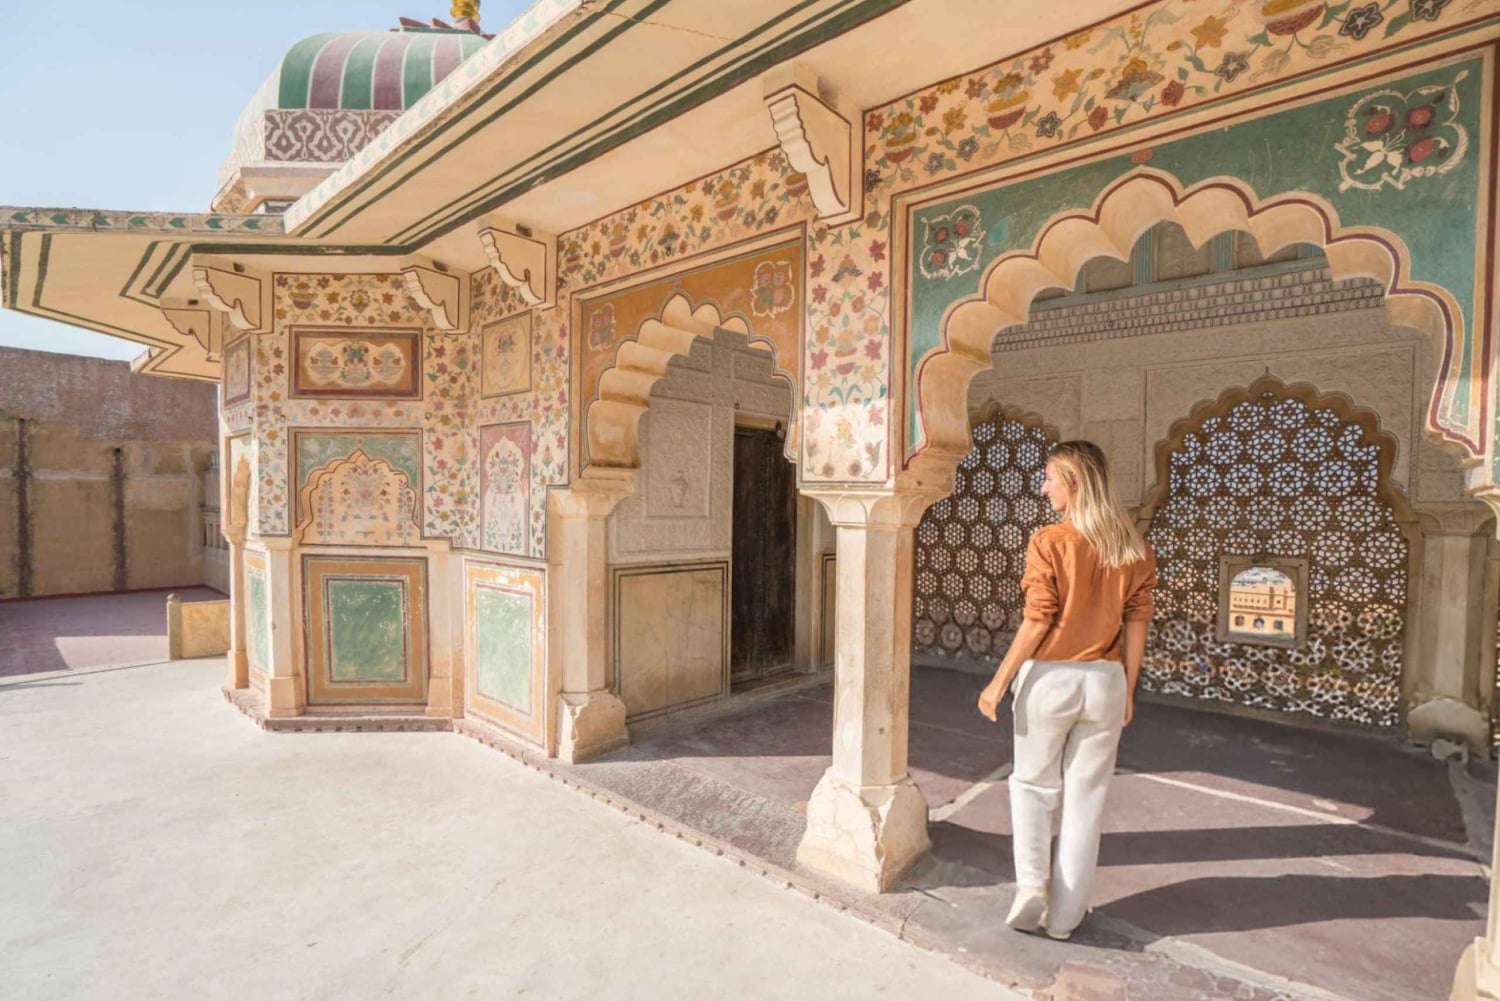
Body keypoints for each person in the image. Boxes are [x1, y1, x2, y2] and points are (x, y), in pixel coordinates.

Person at [976, 440, 1156, 941]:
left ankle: (1032, 887)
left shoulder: (1050, 541)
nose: (1044, 487)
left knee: (1032, 787)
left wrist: (998, 682)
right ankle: (1066, 917)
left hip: (1050, 679)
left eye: (1050, 478)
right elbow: (1137, 622)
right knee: (1087, 799)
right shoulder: (1134, 549)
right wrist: (1128, 689)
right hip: (1106, 682)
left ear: (1073, 482)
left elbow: (1038, 619)